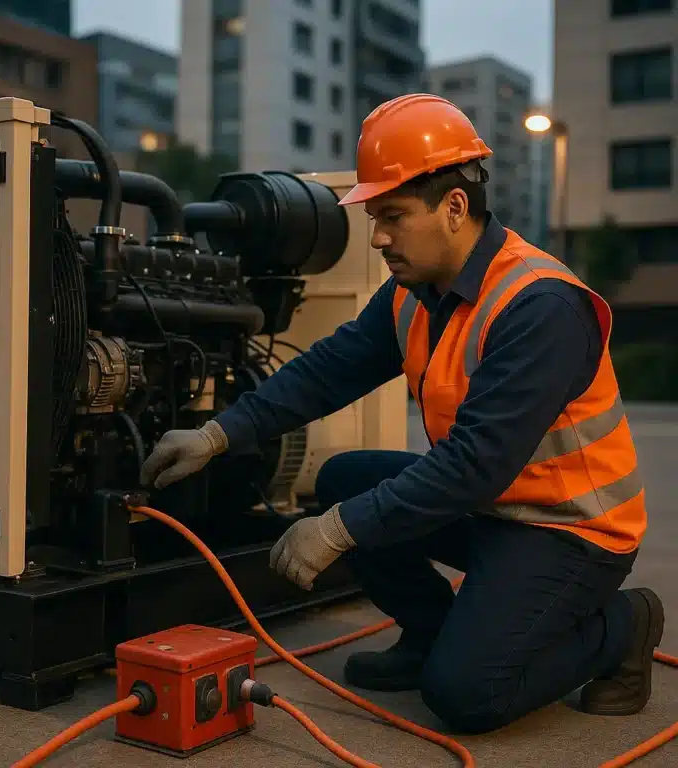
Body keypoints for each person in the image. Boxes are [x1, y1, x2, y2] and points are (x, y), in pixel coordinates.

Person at [140, 94, 664, 734]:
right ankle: (431, 635)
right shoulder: (417, 291)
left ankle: (623, 625)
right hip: (492, 509)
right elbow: (330, 369)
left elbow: (474, 465)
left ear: (453, 208)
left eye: (391, 215)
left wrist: (335, 532)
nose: (377, 235)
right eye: (372, 215)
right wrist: (219, 433)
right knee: (344, 480)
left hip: (571, 531)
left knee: (468, 696)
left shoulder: (540, 307)